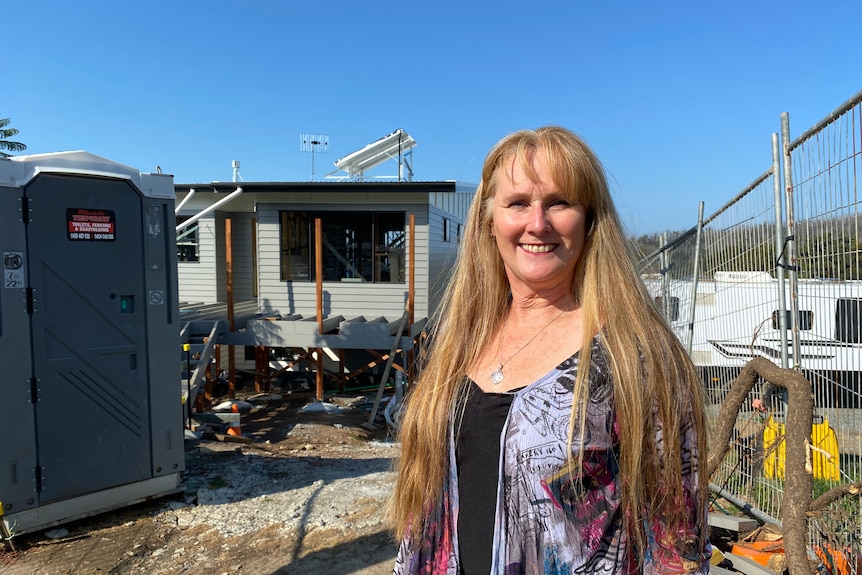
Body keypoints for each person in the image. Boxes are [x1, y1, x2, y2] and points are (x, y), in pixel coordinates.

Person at [389, 127, 710, 574]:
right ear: (489, 219)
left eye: (558, 202)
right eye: (518, 203)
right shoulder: (458, 342)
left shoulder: (639, 355)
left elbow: (679, 539)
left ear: (589, 219)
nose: (537, 223)